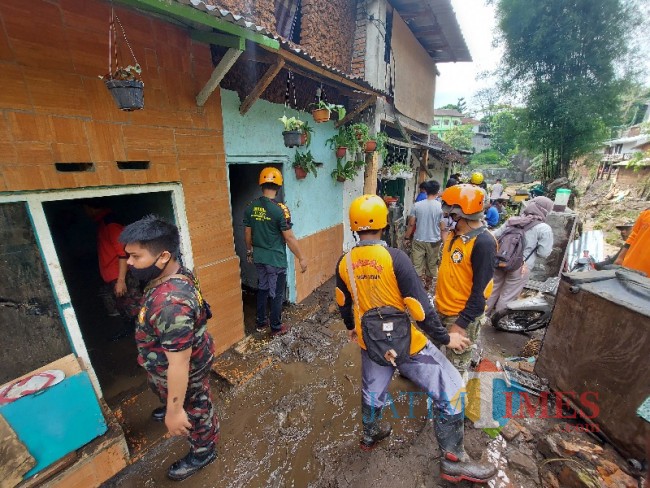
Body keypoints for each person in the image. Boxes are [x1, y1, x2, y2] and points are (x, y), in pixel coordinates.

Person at [335, 195, 496, 484]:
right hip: (404, 344)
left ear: (353, 226)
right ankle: (453, 461)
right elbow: (420, 309)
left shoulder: (344, 262)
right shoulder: (395, 258)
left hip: (369, 342)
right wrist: (446, 338)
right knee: (453, 389)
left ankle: (370, 435)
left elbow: (343, 302)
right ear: (384, 223)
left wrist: (351, 327)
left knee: (372, 391)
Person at [119, 216, 218, 481]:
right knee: (167, 389)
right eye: (127, 255)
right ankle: (172, 400)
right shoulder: (175, 271)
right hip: (169, 362)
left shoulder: (170, 306)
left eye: (135, 257)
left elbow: (179, 364)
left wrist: (175, 411)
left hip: (186, 368)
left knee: (197, 410)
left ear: (163, 257)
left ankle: (203, 450)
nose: (128, 263)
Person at [435, 184, 497, 378]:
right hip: (441, 308)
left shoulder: (484, 244)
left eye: (452, 216)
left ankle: (453, 404)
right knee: (433, 356)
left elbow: (480, 293)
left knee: (456, 368)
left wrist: (460, 324)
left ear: (463, 215)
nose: (450, 219)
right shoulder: (455, 235)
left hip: (461, 316)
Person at [244, 167, 307, 336]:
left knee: (263, 289)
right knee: (277, 294)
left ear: (261, 185)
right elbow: (289, 238)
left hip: (259, 257)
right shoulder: (280, 210)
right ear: (278, 187)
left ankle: (260, 323)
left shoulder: (251, 207)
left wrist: (249, 251)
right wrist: (301, 257)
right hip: (276, 260)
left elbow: (248, 233)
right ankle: (276, 327)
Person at [83, 201, 141, 340]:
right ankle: (133, 333)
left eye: (85, 208)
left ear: (91, 208)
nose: (85, 212)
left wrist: (121, 281)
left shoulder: (111, 223)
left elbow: (123, 254)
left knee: (136, 307)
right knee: (124, 308)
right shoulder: (103, 223)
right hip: (115, 277)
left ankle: (151, 337)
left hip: (122, 276)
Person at [486, 197, 554, 315]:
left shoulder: (513, 220)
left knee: (491, 290)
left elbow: (494, 236)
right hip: (521, 267)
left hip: (500, 260)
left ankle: (480, 317)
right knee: (508, 295)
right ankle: (497, 321)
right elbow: (544, 253)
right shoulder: (544, 228)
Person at [404, 180, 447, 293]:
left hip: (418, 239)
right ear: (438, 191)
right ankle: (427, 287)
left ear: (426, 190)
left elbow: (411, 223)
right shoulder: (440, 207)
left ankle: (417, 289)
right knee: (432, 265)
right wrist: (446, 243)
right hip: (434, 241)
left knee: (416, 266)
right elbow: (443, 227)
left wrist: (407, 237)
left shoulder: (417, 205)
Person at [614, 209, 650, 276]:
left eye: (626, 229)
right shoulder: (646, 214)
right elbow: (633, 236)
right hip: (631, 268)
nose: (623, 232)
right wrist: (620, 257)